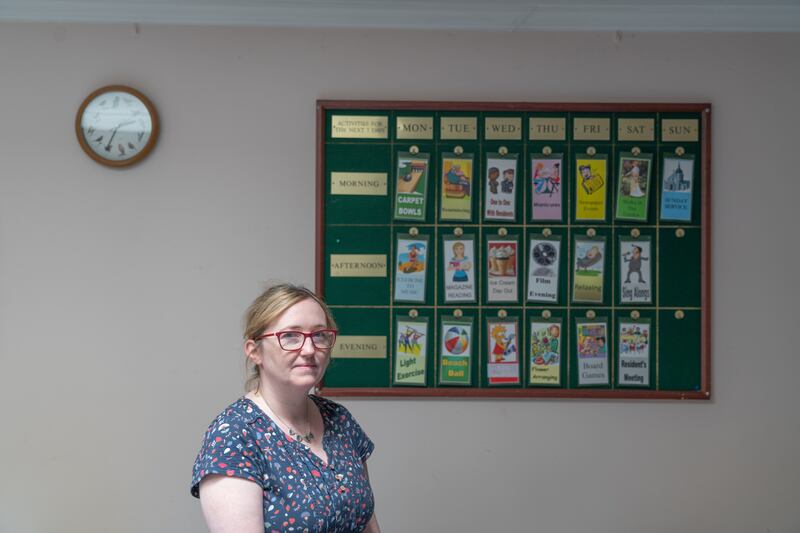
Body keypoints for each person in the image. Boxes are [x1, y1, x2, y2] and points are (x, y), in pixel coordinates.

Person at [190, 283, 380, 533]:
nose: (310, 349)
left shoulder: (339, 419)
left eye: (319, 335)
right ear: (254, 351)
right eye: (290, 336)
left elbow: (366, 521)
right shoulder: (234, 436)